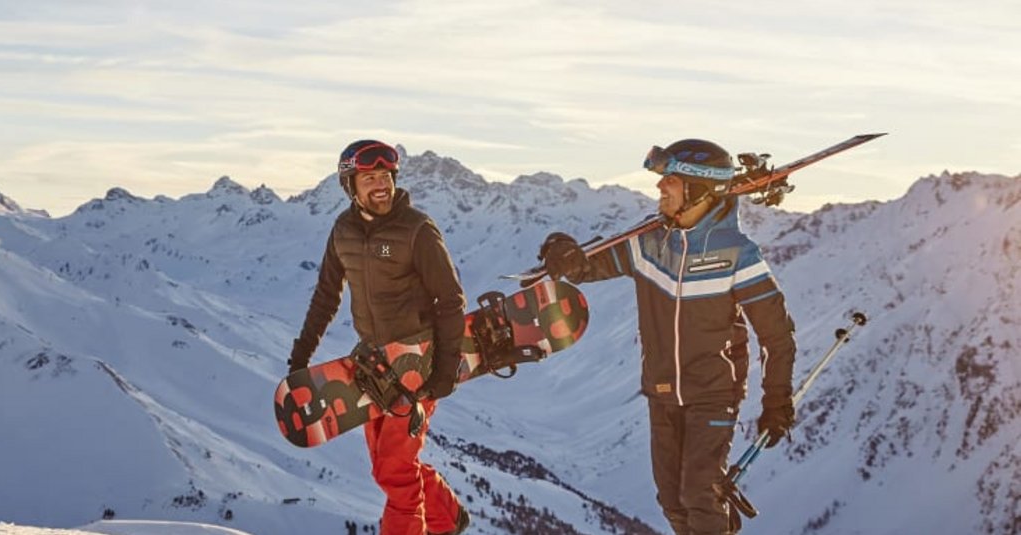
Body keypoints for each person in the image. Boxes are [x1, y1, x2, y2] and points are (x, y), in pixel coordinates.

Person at [535, 139, 798, 534]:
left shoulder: (736, 253)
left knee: (700, 493)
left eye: (669, 181)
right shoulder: (650, 244)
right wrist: (562, 249)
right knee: (671, 499)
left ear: (696, 187)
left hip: (712, 393)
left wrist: (776, 399)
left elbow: (777, 335)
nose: (660, 189)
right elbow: (587, 268)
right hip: (661, 391)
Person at [289, 140, 471, 535]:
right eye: (370, 178)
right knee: (385, 465)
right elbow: (325, 297)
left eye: (385, 176)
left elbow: (451, 299)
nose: (381, 185)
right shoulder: (343, 231)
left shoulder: (417, 230)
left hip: (416, 359)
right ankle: (446, 517)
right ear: (350, 186)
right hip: (372, 362)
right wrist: (300, 359)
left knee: (395, 468)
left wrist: (443, 371)